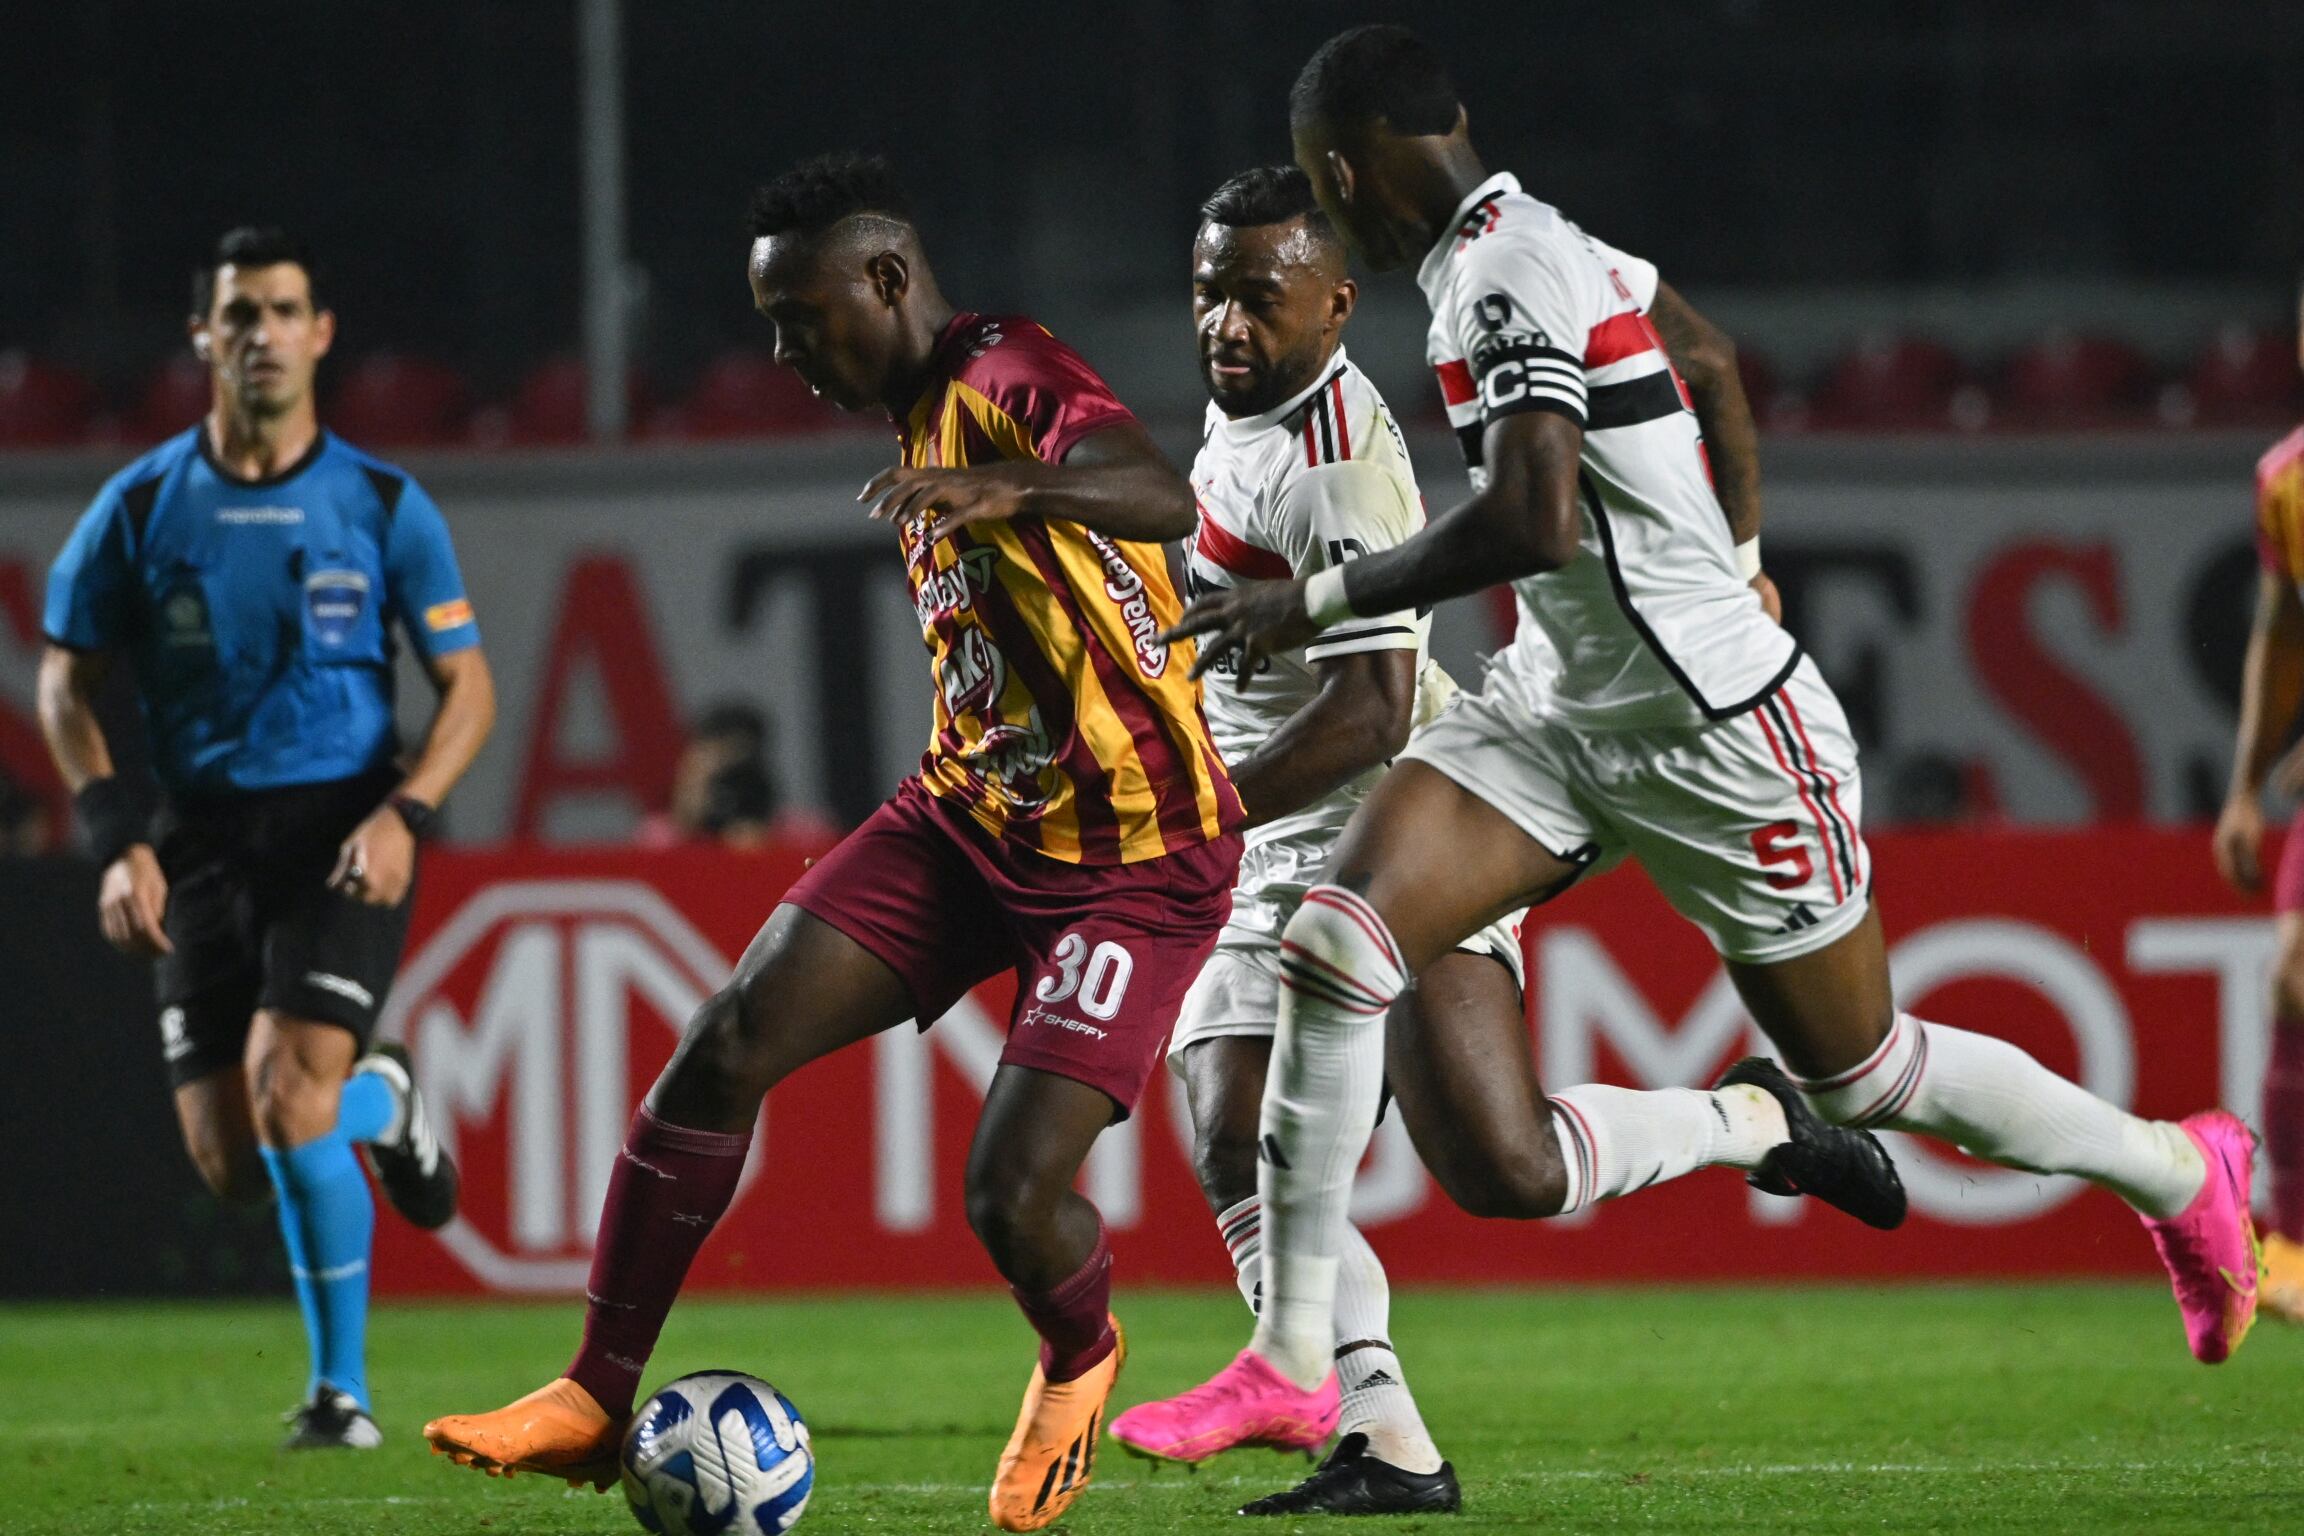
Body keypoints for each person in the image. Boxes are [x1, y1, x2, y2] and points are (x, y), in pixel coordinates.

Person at [1127, 23, 2260, 1458]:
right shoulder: (1549, 242)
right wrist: (1741, 546)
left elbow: (1534, 515)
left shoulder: (1495, 279)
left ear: (1339, 174)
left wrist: (1318, 600)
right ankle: (1296, 1363)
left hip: (1722, 735)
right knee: (1337, 937)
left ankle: (2174, 1170)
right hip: (1559, 706)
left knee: (1865, 1073)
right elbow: (1713, 358)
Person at [423, 153, 1242, 1534]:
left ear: (885, 279)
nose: (790, 353)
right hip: (968, 815)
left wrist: (1017, 494)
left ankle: (1081, 1348)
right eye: (773, 327)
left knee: (1009, 1195)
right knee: (723, 1043)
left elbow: (1154, 491)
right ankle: (593, 1397)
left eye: (803, 318)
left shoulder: (1004, 377)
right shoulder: (919, 411)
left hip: (1135, 860)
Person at [1120, 164, 1898, 1513]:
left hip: (1394, 826)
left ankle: (1751, 1114)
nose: (1227, 325)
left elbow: (1365, 716)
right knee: (1229, 1123)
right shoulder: (1243, 406)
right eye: (1210, 296)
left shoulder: (1337, 467)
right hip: (1268, 852)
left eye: (1259, 298)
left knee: (1505, 1168)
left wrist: (1191, 818)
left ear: (1337, 307)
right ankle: (1384, 1440)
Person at [36, 226, 490, 1448]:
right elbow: (62, 684)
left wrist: (407, 813)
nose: (263, 335)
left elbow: (472, 691)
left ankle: (340, 1395)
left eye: (284, 310)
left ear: (320, 333)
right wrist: (116, 834)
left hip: (345, 825)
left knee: (290, 1098)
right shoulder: (139, 506)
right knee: (232, 1160)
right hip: (197, 839)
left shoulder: (384, 504)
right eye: (238, 315)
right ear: (204, 338)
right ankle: (382, 1106)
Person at [2212, 282, 2304, 1321]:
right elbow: (2282, 629)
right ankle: (2293, 1242)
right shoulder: (2288, 479)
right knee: (2294, 975)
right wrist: (2244, 788)